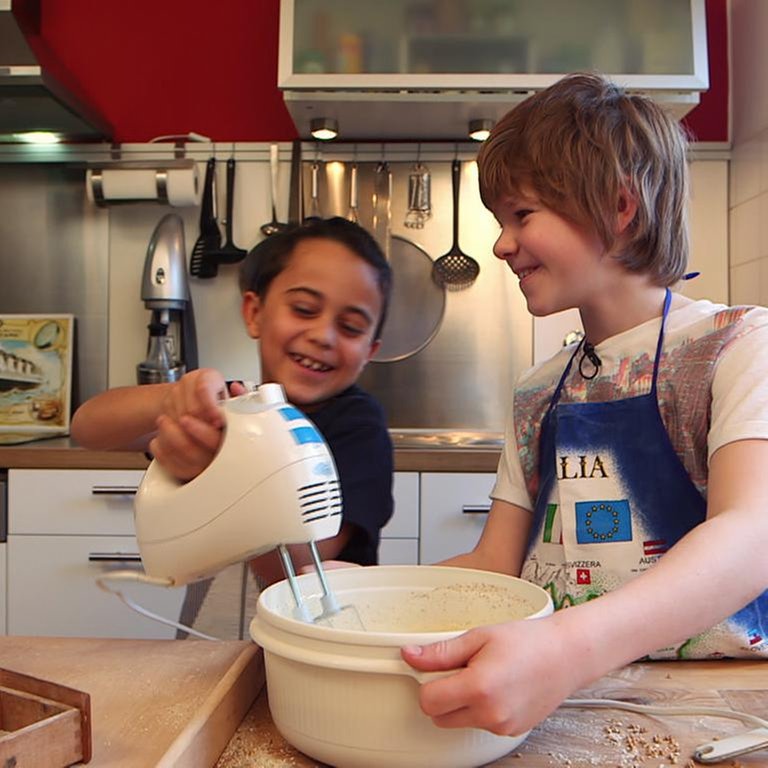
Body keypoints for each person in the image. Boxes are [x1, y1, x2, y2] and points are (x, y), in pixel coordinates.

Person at [400, 73, 768, 737]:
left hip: (718, 708)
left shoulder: (738, 345)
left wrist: (568, 648)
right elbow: (495, 565)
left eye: (521, 215)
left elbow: (750, 537)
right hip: (561, 704)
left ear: (618, 205)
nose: (501, 243)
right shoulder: (539, 388)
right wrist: (369, 588)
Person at [71, 216, 394, 634]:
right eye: (303, 309)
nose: (323, 335)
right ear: (255, 312)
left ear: (370, 350)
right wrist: (173, 398)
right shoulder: (229, 408)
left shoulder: (358, 426)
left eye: (349, 327)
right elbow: (88, 426)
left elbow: (299, 566)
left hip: (309, 653)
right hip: (209, 645)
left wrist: (226, 477)